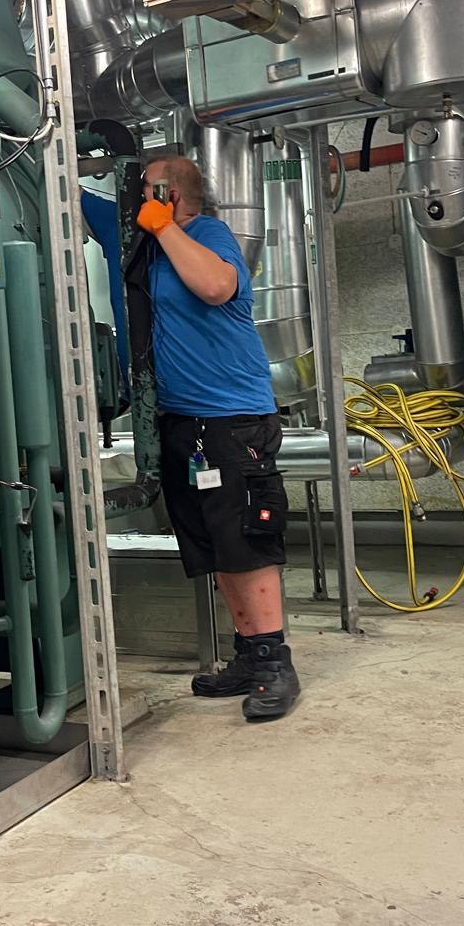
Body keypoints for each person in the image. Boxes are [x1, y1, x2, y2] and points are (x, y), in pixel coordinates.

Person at [126, 156, 300, 723]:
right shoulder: (152, 246)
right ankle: (249, 655)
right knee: (218, 544)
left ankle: (275, 663)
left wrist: (165, 226)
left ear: (169, 194)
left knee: (247, 540)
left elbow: (217, 287)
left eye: (147, 189)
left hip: (232, 419)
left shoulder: (207, 234)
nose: (138, 198)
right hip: (184, 422)